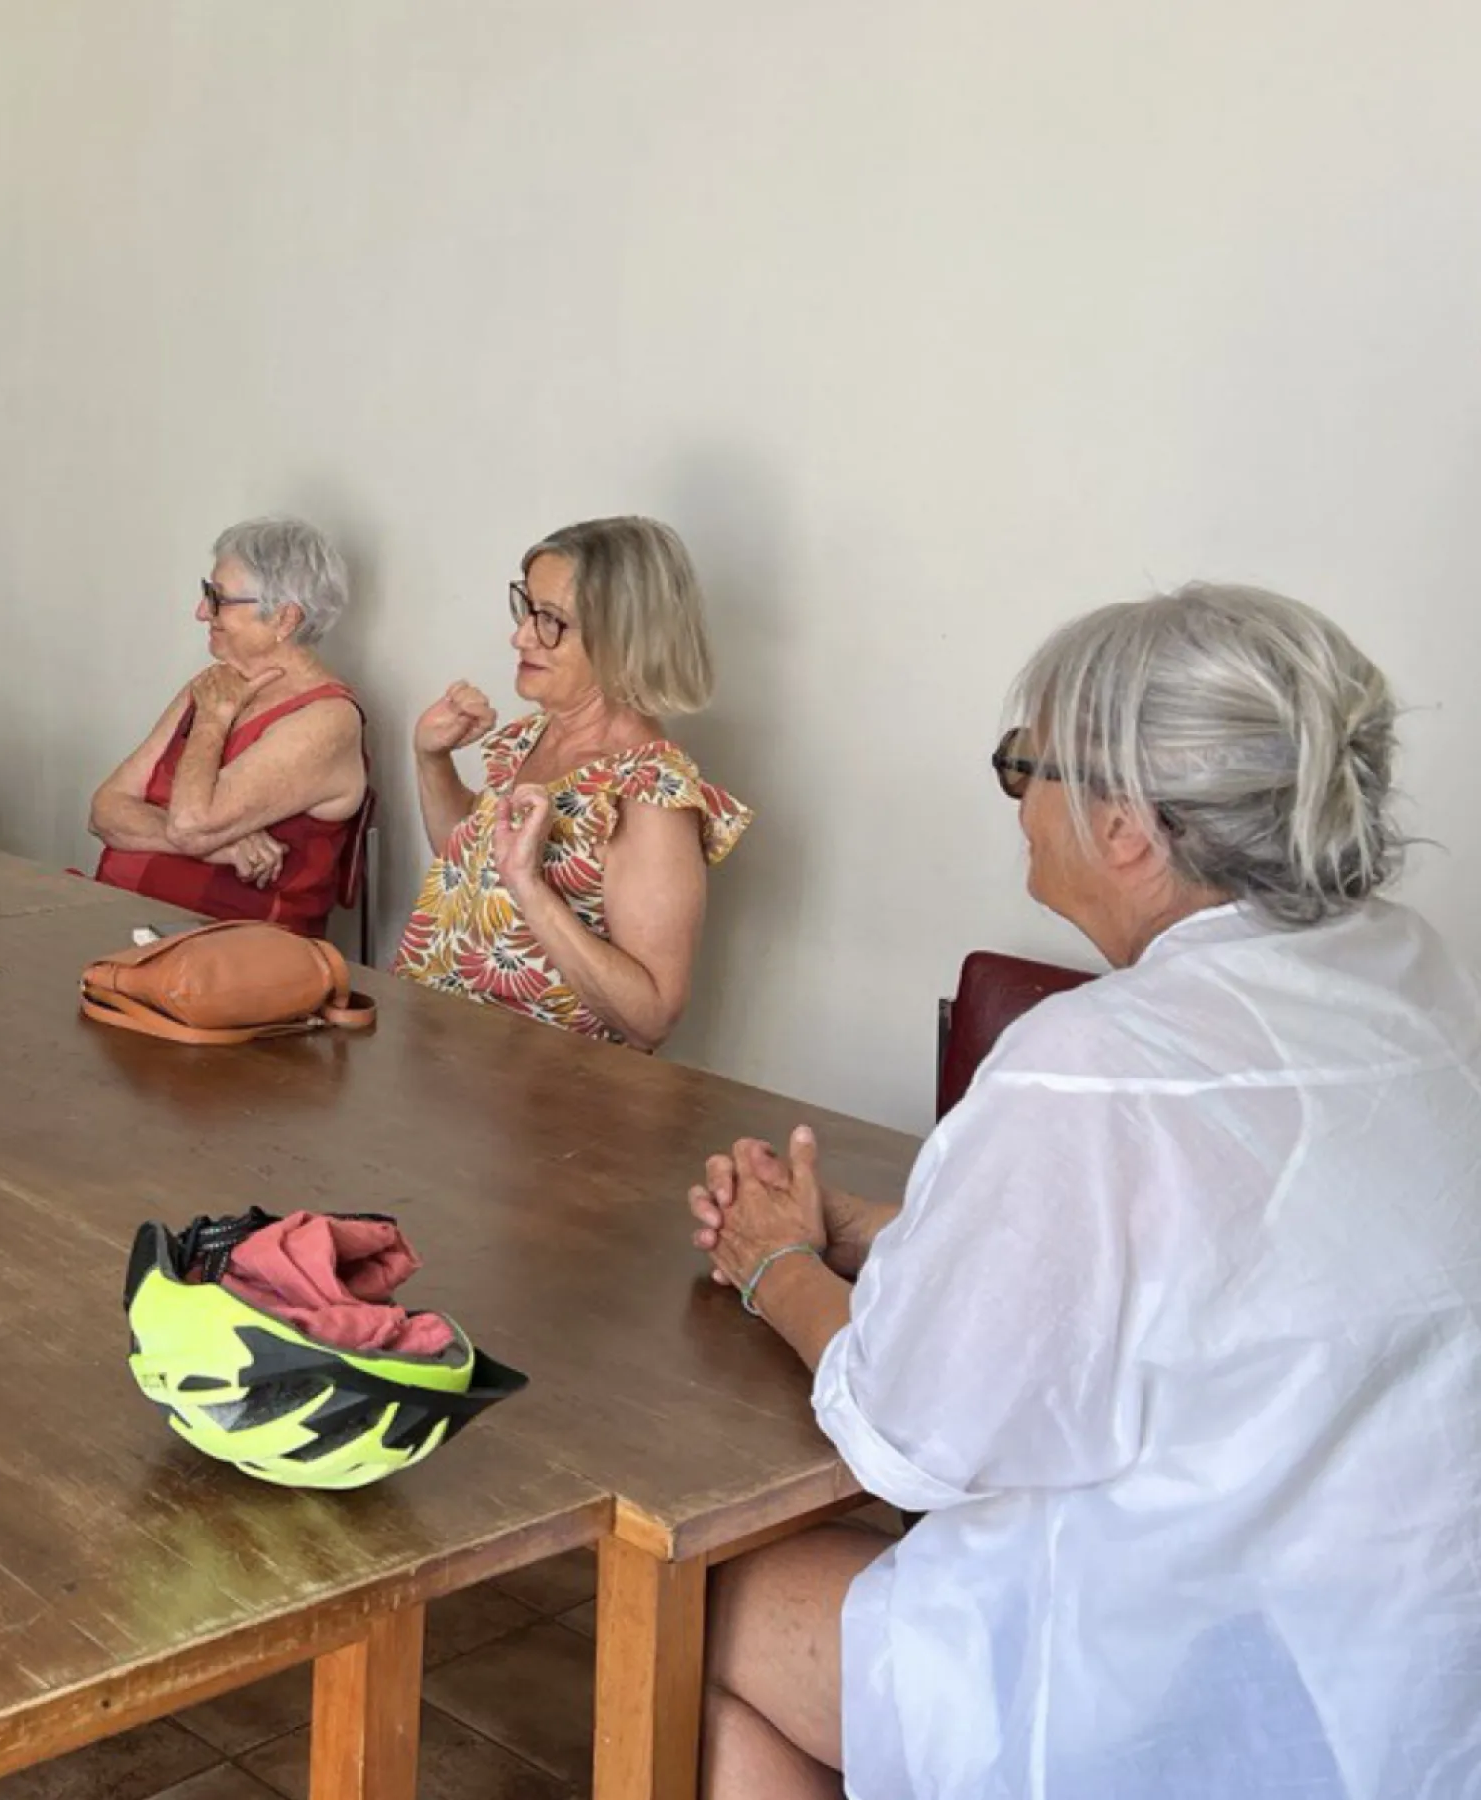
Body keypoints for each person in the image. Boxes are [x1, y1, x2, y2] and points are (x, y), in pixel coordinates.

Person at [683, 585, 1481, 1799]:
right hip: (1399, 1667)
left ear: (1123, 827)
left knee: (703, 1604)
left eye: (1024, 766)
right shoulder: (1413, 978)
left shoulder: (1094, 1058)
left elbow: (907, 1440)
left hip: (1172, 1683)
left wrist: (773, 1267)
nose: (1015, 802)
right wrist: (881, 1235)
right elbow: (1219, 1276)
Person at [392, 516, 748, 1050]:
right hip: (440, 1049)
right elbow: (468, 869)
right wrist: (431, 759)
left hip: (540, 1084)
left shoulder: (649, 795)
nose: (520, 636)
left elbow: (652, 1015)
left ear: (624, 641)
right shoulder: (532, 737)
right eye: (526, 609)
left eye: (550, 620)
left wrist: (530, 887)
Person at [89, 518, 369, 935]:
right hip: (124, 922)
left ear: (285, 619)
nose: (202, 612)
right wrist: (222, 846)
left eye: (218, 598)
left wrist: (213, 719)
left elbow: (191, 825)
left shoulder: (325, 718)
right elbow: (105, 811)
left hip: (231, 950)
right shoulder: (217, 683)